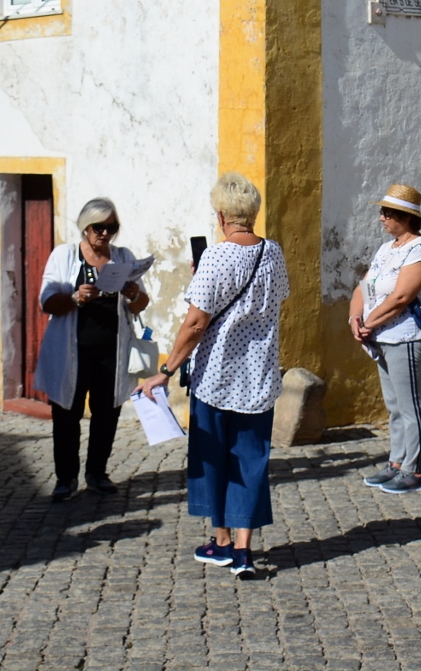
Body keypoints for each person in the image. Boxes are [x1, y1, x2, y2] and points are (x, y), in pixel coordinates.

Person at [136, 172, 288, 581]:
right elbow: (269, 302)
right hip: (258, 377)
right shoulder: (273, 253)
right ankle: (242, 551)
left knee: (213, 458)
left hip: (218, 377)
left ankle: (219, 541)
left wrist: (165, 371)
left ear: (221, 215)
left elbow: (195, 322)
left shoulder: (217, 257)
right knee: (250, 461)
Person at [34, 197, 150, 500]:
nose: (105, 234)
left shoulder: (122, 256)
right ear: (86, 228)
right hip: (72, 350)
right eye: (99, 228)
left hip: (111, 350)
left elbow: (141, 304)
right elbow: (46, 301)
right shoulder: (66, 255)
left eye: (112, 228)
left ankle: (97, 472)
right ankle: (66, 478)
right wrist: (74, 297)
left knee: (107, 413)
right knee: (66, 413)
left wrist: (133, 292)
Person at [349, 183, 421, 495]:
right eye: (381, 211)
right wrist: (355, 318)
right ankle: (397, 462)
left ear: (405, 216)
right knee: (394, 405)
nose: (381, 218)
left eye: (387, 213)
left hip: (405, 336)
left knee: (410, 405)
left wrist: (370, 322)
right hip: (381, 337)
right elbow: (365, 286)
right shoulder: (386, 250)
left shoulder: (420, 251)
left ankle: (414, 470)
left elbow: (401, 296)